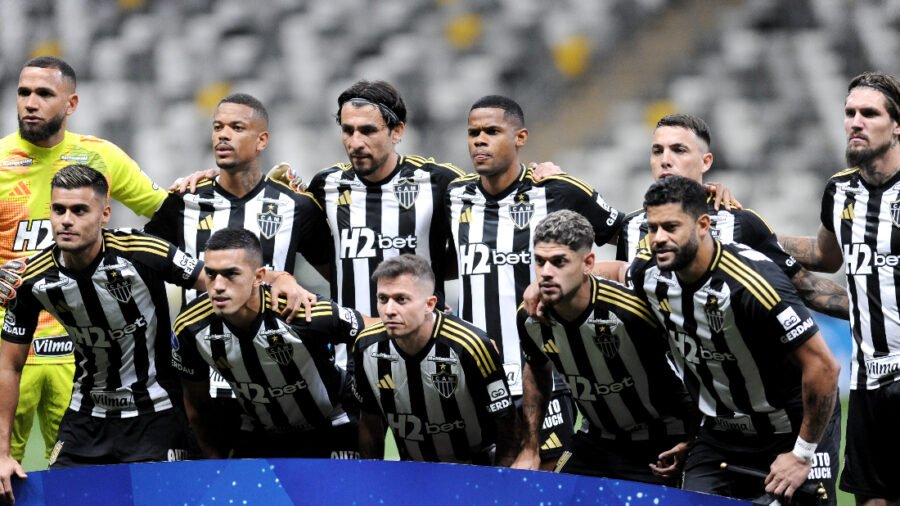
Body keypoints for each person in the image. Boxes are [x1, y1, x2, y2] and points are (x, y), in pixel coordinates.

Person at [627, 176, 841, 504]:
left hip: (791, 430)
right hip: (719, 436)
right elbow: (613, 276)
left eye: (670, 227)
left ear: (703, 225)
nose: (658, 239)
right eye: (652, 228)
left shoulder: (753, 281)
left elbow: (824, 367)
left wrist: (801, 454)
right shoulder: (647, 273)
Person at [0, 55, 168, 467]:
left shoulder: (100, 157)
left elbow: (167, 213)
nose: (30, 103)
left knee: (77, 481)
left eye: (44, 93)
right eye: (24, 92)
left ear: (71, 104)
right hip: (8, 347)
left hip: (80, 355)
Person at [144, 93, 333, 440]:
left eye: (236, 127)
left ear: (262, 140)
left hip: (275, 369)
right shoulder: (184, 202)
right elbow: (147, 262)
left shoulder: (295, 206)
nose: (223, 135)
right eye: (218, 127)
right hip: (202, 367)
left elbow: (336, 273)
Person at [447, 95, 622, 468]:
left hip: (545, 375)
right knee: (480, 484)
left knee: (541, 481)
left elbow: (625, 232)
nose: (480, 140)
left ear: (520, 137)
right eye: (473, 133)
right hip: (477, 376)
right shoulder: (453, 194)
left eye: (492, 131)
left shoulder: (559, 191)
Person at [779, 71, 900, 505]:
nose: (855, 122)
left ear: (897, 126)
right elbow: (825, 256)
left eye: (869, 113)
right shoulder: (840, 191)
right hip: (868, 381)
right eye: (850, 113)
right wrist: (754, 235)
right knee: (872, 500)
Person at [515, 210, 696, 484]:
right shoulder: (531, 316)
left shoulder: (630, 313)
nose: (546, 273)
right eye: (540, 262)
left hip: (660, 446)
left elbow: (691, 370)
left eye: (559, 262)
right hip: (595, 441)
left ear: (588, 263)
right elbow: (537, 369)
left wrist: (692, 441)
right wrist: (530, 448)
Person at [615, 113, 848, 320]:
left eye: (679, 150)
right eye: (657, 151)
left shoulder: (739, 223)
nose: (665, 160)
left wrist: (868, 313)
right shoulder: (631, 228)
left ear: (706, 162)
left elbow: (808, 287)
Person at [172, 228, 375, 459]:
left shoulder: (300, 311)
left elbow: (374, 331)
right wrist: (215, 463)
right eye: (210, 274)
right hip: (261, 433)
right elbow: (197, 406)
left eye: (231, 274)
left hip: (333, 423)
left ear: (259, 277)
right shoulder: (190, 327)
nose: (218, 285)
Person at [353, 254, 517, 465]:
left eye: (401, 299)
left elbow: (506, 422)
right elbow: (370, 422)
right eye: (383, 299)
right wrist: (371, 478)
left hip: (478, 466)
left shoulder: (470, 346)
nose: (389, 311)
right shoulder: (366, 347)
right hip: (414, 468)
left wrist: (501, 477)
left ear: (429, 304)